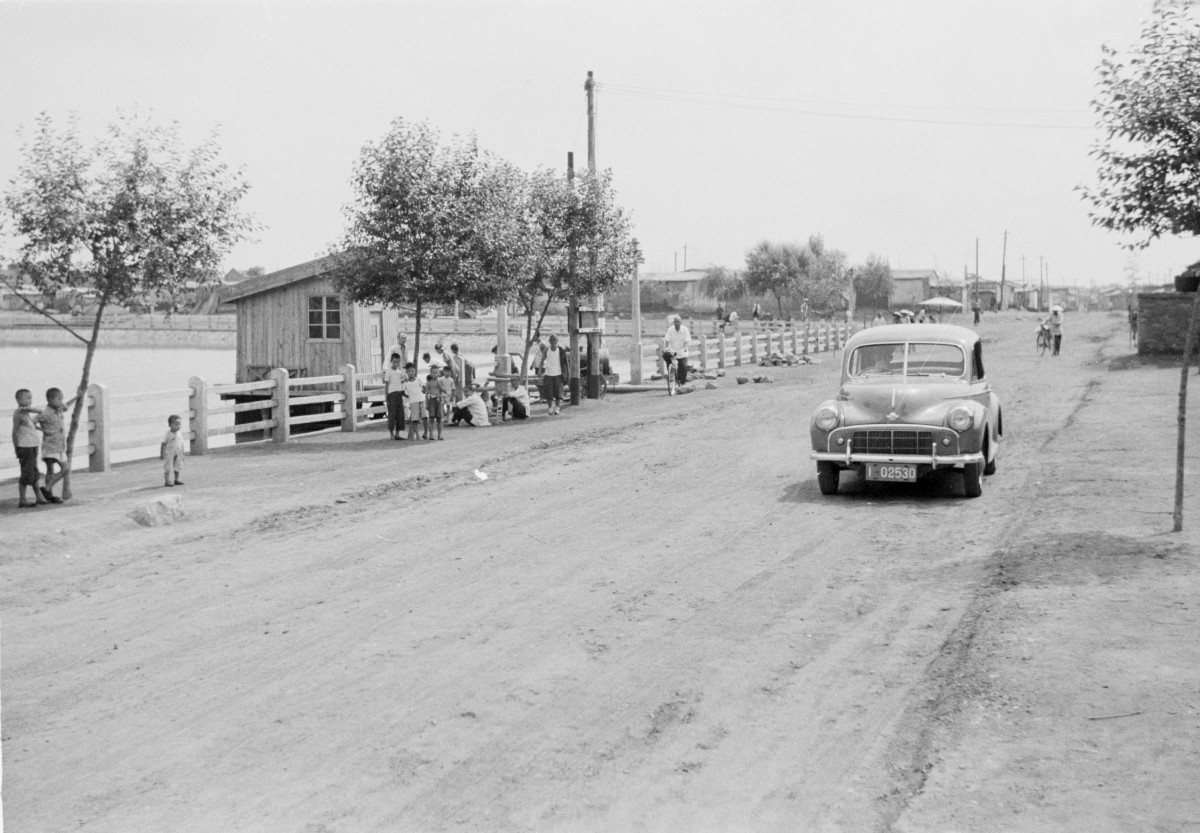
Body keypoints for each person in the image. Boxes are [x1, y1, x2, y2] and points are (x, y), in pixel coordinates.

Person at [36, 387, 73, 502]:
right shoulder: (45, 413)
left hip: (60, 446)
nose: (62, 402)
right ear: (51, 400)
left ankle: (46, 489)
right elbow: (31, 422)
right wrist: (42, 430)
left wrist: (78, 396)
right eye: (59, 399)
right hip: (50, 446)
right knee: (50, 470)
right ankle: (49, 494)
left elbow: (67, 405)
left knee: (65, 469)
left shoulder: (59, 409)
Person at [12, 388, 47, 508]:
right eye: (27, 398)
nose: (30, 400)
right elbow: (15, 432)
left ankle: (39, 497)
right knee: (26, 472)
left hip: (32, 445)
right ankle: (22, 499)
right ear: (18, 399)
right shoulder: (19, 412)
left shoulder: (26, 415)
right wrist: (16, 446)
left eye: (30, 397)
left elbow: (27, 427)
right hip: (24, 446)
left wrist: (37, 425)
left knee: (35, 471)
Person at [540, 334, 568, 415]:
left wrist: (566, 374)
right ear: (549, 341)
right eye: (551, 340)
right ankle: (550, 409)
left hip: (558, 374)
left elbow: (565, 364)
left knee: (559, 393)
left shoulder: (561, 350)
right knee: (549, 393)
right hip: (548, 375)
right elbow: (542, 361)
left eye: (554, 340)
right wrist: (540, 372)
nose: (553, 342)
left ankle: (557, 408)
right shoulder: (546, 350)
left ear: (557, 341)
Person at [663, 315, 692, 389]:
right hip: (673, 350)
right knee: (667, 357)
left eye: (678, 322)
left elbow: (687, 341)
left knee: (684, 367)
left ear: (681, 322)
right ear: (673, 323)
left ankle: (682, 383)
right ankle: (671, 376)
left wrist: (685, 348)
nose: (676, 323)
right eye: (675, 322)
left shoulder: (685, 330)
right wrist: (666, 348)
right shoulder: (670, 330)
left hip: (682, 351)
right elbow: (667, 340)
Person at [383, 353, 407, 440]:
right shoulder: (388, 372)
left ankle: (397, 433)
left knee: (400, 414)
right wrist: (386, 397)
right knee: (392, 415)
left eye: (397, 362)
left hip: (399, 394)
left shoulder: (400, 372)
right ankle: (391, 433)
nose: (396, 364)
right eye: (394, 362)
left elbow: (403, 381)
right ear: (391, 361)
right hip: (392, 395)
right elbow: (386, 385)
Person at [160, 414, 185, 487]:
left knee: (178, 466)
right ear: (170, 425)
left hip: (178, 452)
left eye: (179, 424)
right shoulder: (168, 434)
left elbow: (182, 443)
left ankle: (176, 479)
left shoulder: (179, 434)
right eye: (176, 424)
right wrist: (162, 453)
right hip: (169, 453)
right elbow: (163, 443)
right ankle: (167, 481)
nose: (178, 426)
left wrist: (183, 453)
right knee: (168, 467)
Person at [425, 364, 445, 440]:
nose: (435, 374)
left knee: (439, 418)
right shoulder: (428, 383)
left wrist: (441, 387)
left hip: (439, 400)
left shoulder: (440, 382)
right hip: (431, 401)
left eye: (436, 372)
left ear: (439, 373)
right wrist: (426, 403)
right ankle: (431, 435)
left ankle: (439, 435)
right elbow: (426, 394)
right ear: (430, 373)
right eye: (433, 373)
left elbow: (444, 391)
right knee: (431, 418)